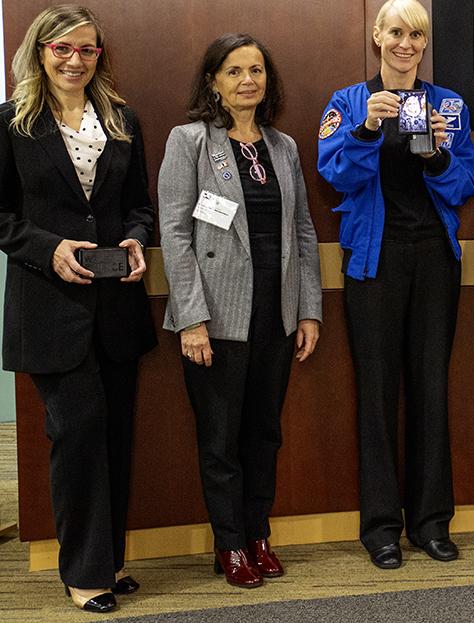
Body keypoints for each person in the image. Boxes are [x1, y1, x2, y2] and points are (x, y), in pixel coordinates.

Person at [0, 4, 155, 613]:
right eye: (62, 48)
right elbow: (3, 217)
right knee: (78, 433)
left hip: (116, 308)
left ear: (100, 55)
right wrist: (50, 247)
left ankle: (108, 562)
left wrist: (137, 239)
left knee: (115, 433)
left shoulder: (122, 120)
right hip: (49, 308)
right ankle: (83, 571)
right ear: (40, 52)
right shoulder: (12, 123)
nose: (74, 60)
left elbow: (138, 204)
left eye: (86, 49)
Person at [317, 0, 474, 570]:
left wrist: (436, 153)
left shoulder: (449, 104)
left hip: (435, 258)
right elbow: (334, 172)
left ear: (424, 43)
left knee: (431, 389)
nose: (406, 43)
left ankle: (432, 522)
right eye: (395, 32)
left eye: (416, 34)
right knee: (378, 394)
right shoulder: (348, 102)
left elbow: (465, 184)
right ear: (377, 37)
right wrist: (367, 127)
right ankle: (382, 527)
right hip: (374, 261)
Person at [159, 33, 322, 588]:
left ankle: (257, 534)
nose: (248, 80)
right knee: (220, 439)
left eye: (256, 70)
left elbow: (302, 231)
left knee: (264, 435)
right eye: (234, 71)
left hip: (275, 316)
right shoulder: (190, 142)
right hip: (216, 318)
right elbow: (175, 233)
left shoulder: (283, 148)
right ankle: (229, 546)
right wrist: (191, 318)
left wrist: (309, 311)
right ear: (214, 82)